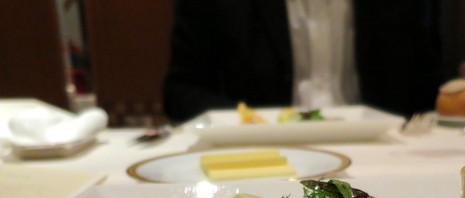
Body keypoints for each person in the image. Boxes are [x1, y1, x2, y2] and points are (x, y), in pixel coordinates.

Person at [163, 0, 443, 123]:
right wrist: (248, 123)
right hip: (262, 155)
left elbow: (426, 88)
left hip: (381, 152)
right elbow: (182, 92)